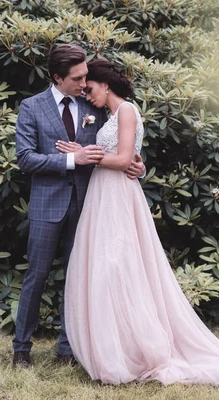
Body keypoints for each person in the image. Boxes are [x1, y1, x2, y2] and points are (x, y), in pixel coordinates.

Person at [56, 58, 219, 385]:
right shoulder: (112, 115)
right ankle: (114, 346)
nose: (88, 95)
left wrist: (90, 156)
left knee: (118, 265)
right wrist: (93, 154)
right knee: (106, 269)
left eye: (91, 88)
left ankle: (137, 347)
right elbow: (126, 159)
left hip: (118, 197)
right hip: (104, 196)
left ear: (105, 84)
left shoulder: (126, 111)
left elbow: (127, 158)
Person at [12, 44, 145, 367]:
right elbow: (26, 159)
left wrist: (140, 167)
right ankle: (21, 349)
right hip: (48, 204)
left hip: (91, 204)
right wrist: (72, 159)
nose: (85, 83)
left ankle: (68, 349)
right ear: (58, 78)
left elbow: (121, 145)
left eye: (86, 76)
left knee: (80, 277)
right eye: (77, 78)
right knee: (37, 274)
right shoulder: (32, 107)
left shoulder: (95, 105)